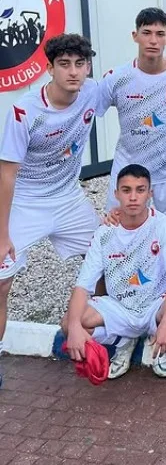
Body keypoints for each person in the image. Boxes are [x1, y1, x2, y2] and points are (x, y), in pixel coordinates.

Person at [0, 34, 101, 378]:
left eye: (80, 64)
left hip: (69, 198)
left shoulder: (91, 92)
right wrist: (2, 235)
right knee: (1, 282)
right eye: (64, 64)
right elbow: (6, 174)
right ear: (49, 69)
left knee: (109, 259)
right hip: (26, 203)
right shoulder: (24, 111)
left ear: (87, 67)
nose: (73, 72)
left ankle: (99, 332)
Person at [61, 164, 166, 379]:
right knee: (69, 322)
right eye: (126, 190)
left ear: (150, 193)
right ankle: (123, 341)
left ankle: (159, 343)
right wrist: (73, 327)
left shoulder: (164, 225)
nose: (133, 197)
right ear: (116, 193)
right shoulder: (104, 232)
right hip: (118, 307)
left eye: (140, 190)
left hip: (154, 304)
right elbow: (82, 286)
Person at [97, 7, 166, 216]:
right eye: (146, 33)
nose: (153, 41)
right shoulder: (116, 78)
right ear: (135, 36)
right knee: (120, 229)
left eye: (160, 34)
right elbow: (89, 109)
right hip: (128, 172)